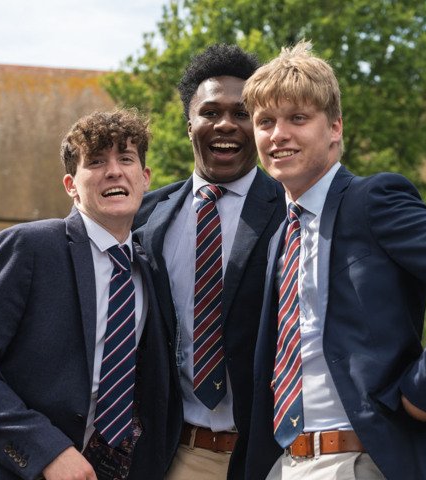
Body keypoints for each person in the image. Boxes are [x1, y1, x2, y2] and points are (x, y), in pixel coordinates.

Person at [240, 41, 426, 480]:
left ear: (334, 128)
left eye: (298, 118)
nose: (278, 134)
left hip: (356, 461)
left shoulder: (372, 201)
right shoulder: (281, 234)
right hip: (283, 463)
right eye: (265, 122)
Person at [0, 108, 181, 480]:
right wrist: (47, 452)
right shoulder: (27, 247)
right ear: (71, 185)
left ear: (145, 178)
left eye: (126, 158)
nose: (114, 170)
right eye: (96, 161)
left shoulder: (149, 274)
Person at [133, 44, 286, 480]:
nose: (226, 124)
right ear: (189, 126)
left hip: (273, 457)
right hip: (177, 454)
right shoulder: (145, 218)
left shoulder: (294, 211)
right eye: (211, 112)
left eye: (242, 113)